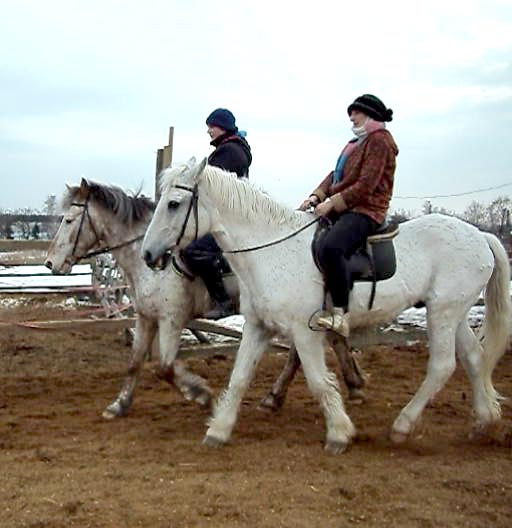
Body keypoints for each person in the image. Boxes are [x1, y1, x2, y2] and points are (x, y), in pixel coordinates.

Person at [299, 94, 398, 337]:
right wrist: (316, 196)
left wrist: (332, 203)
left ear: (370, 115)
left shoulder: (380, 142)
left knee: (331, 247)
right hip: (347, 207)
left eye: (356, 112)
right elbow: (335, 175)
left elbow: (366, 184)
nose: (352, 117)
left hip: (367, 209)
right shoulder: (356, 143)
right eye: (351, 113)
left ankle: (340, 314)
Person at [183, 108, 252, 319]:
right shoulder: (231, 149)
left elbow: (211, 188)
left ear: (223, 127)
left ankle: (222, 300)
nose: (209, 131)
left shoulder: (230, 152)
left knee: (194, 251)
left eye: (212, 126)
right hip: (227, 217)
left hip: (227, 220)